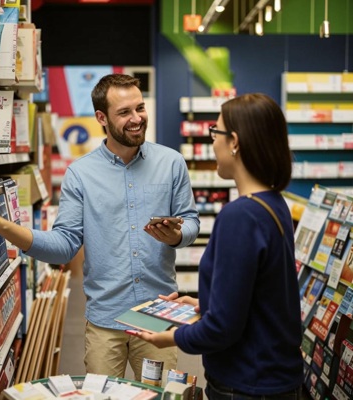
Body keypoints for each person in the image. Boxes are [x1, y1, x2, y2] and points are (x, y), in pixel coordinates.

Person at [0, 74, 200, 380]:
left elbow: (190, 221)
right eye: (124, 112)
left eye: (139, 108)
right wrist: (0, 225)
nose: (137, 118)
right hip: (104, 323)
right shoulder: (80, 174)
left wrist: (178, 235)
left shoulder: (172, 162)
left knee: (164, 396)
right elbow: (64, 246)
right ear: (101, 118)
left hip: (158, 318)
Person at [130, 93, 304, 399]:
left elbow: (222, 329)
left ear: (234, 141)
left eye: (216, 132)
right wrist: (204, 305)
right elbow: (258, 295)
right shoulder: (275, 204)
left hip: (247, 383)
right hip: (275, 376)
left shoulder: (240, 216)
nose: (212, 142)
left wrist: (170, 337)